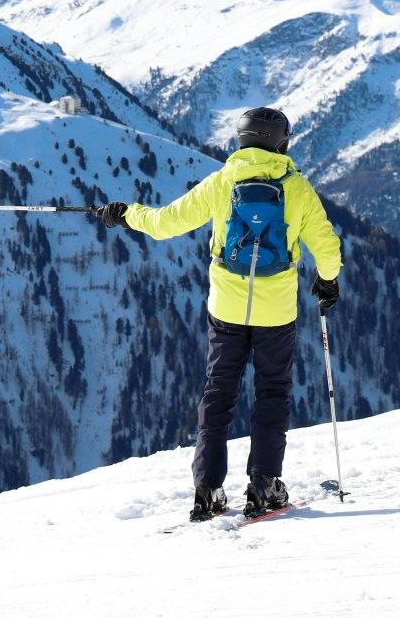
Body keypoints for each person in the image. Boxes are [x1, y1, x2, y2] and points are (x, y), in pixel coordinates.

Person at [97, 106, 343, 521]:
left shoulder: (221, 183)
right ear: (281, 143)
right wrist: (328, 282)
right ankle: (264, 485)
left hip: (225, 309)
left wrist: (126, 213)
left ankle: (207, 488)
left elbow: (163, 223)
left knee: (218, 394)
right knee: (272, 394)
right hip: (276, 311)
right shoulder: (298, 189)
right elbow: (326, 247)